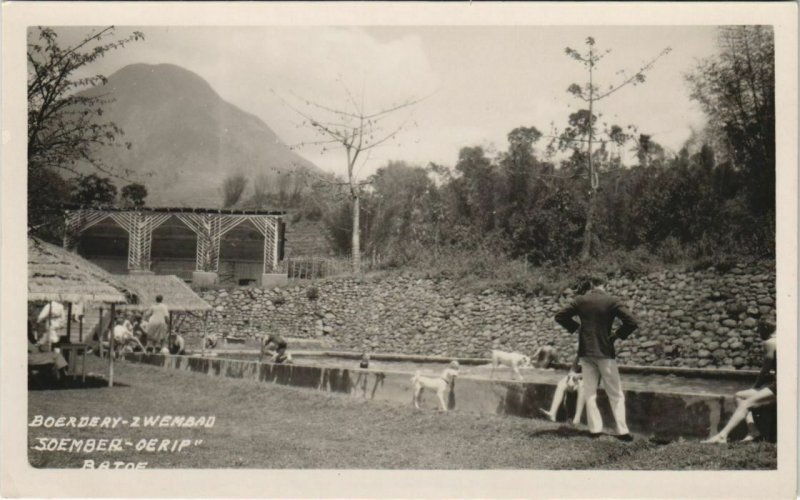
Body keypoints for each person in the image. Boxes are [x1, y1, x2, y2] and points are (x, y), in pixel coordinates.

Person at [555, 278, 639, 441]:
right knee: (615, 393)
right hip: (605, 351)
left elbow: (560, 316)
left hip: (586, 352)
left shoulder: (581, 300)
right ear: (605, 285)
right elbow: (632, 321)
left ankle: (594, 430)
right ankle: (622, 431)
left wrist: (577, 328)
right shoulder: (611, 301)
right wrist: (617, 334)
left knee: (590, 393)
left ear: (591, 285)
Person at [703, 321, 777, 444]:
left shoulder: (770, 343)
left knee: (745, 403)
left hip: (780, 387)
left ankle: (722, 436)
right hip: (781, 385)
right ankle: (753, 431)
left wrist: (756, 386)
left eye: (759, 330)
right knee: (739, 395)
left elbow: (765, 369)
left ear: (764, 329)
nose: (758, 333)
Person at [539, 355, 587, 425]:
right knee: (561, 383)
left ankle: (577, 418)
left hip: (587, 381)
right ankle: (552, 413)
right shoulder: (579, 356)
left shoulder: (594, 356)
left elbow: (594, 374)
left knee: (582, 385)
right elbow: (572, 370)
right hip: (576, 380)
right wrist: (571, 378)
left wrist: (578, 376)